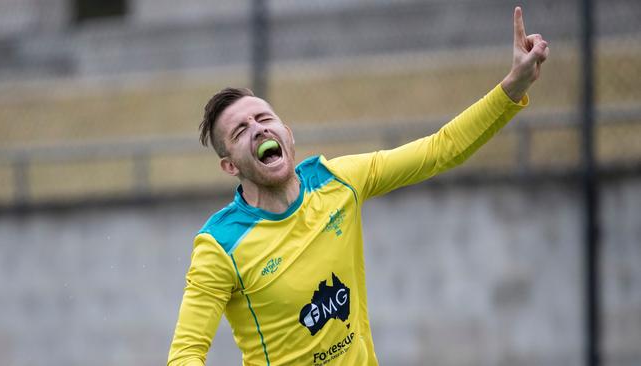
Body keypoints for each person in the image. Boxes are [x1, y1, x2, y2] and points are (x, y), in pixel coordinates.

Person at [168, 6, 548, 366]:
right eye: (240, 130)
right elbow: (185, 354)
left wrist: (513, 86)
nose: (258, 128)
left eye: (264, 118)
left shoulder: (338, 181)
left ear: (287, 133)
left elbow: (440, 149)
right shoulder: (220, 246)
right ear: (229, 165)